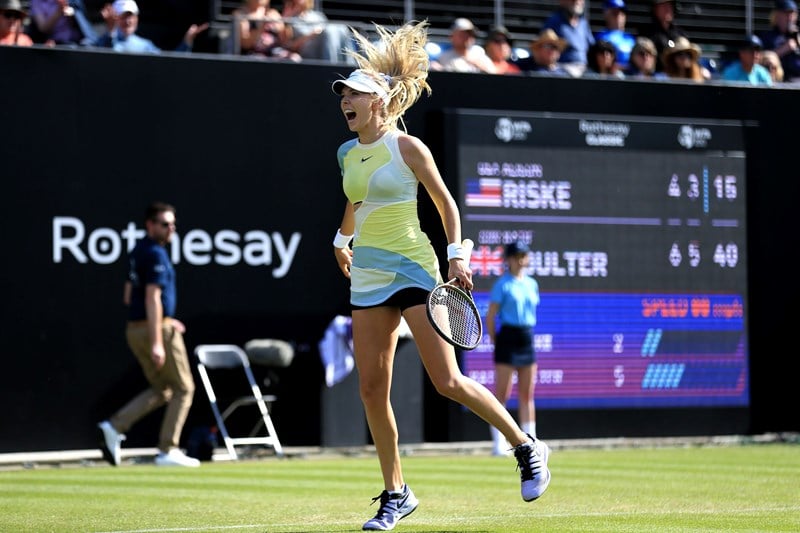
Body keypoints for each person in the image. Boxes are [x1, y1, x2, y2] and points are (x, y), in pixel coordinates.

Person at [330, 20, 551, 531]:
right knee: (370, 388)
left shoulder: (409, 149)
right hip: (367, 274)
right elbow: (356, 197)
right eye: (343, 94)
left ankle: (524, 446)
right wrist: (343, 240)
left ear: (379, 103)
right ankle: (396, 493)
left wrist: (458, 257)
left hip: (413, 267)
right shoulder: (346, 152)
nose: (346, 100)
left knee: (447, 380)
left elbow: (447, 204)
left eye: (356, 94)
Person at [97, 202, 200, 468]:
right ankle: (168, 450)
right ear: (150, 225)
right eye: (165, 224)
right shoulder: (155, 254)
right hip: (155, 332)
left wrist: (164, 320)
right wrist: (158, 339)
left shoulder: (138, 251)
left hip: (137, 329)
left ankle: (114, 426)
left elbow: (129, 295)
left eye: (173, 224)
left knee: (164, 389)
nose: (171, 229)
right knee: (184, 388)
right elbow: (153, 297)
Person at [485, 242, 540, 457]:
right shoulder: (502, 284)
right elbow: (490, 317)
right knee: (502, 394)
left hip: (526, 338)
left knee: (527, 395)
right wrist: (496, 340)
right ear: (508, 259)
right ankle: (499, 443)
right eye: (516, 256)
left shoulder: (532, 284)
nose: (520, 259)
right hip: (507, 338)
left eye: (523, 255)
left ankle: (531, 441)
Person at [93, 0, 208, 54]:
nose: (128, 21)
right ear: (115, 19)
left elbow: (168, 65)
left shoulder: (145, 46)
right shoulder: (100, 42)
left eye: (131, 16)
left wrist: (187, 42)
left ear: (136, 19)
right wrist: (111, 31)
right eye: (123, 16)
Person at [280, 0, 354, 63]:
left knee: (341, 28)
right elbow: (288, 45)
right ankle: (331, 66)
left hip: (325, 44)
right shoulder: (289, 18)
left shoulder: (317, 15)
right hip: (307, 50)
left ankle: (349, 65)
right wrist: (312, 34)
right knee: (328, 32)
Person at [541, 0, 595, 77]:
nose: (576, 2)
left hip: (585, 70)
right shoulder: (554, 21)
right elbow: (544, 49)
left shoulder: (583, 23)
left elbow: (592, 46)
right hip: (562, 70)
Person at [430, 17, 495, 73]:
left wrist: (480, 66)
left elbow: (494, 74)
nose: (467, 37)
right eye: (462, 34)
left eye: (470, 34)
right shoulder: (444, 57)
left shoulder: (479, 53)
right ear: (452, 37)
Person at [639, 0, 689, 72]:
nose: (667, 9)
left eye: (669, 6)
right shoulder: (647, 34)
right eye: (663, 6)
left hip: (680, 77)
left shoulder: (681, 34)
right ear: (655, 9)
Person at [757, 0, 800, 82]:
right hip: (778, 81)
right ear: (776, 15)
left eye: (792, 14)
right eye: (786, 13)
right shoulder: (767, 37)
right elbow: (759, 60)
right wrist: (784, 49)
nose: (789, 17)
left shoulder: (797, 36)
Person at [28, 0, 95, 46]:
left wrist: (70, 10)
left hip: (79, 41)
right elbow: (42, 28)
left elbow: (83, 23)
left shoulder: (72, 1)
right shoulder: (36, 2)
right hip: (55, 45)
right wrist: (60, 10)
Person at [594, 0, 636, 70]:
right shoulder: (600, 37)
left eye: (622, 13)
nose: (619, 16)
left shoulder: (630, 39)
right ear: (606, 14)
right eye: (615, 13)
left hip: (631, 77)